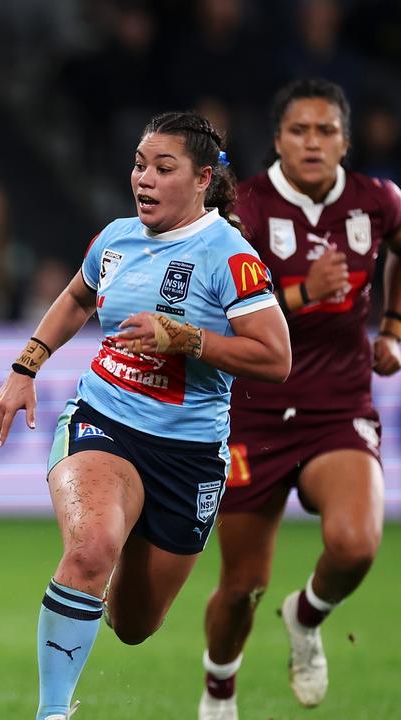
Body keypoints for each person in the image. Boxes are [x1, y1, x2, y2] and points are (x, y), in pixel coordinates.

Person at [0, 111, 290, 720]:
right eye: (138, 165)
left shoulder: (229, 256)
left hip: (189, 453)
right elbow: (77, 294)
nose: (143, 179)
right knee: (92, 547)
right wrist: (25, 368)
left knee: (134, 625)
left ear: (204, 179)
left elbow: (275, 357)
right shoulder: (116, 238)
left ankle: (112, 542)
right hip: (105, 419)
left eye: (163, 168)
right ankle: (52, 712)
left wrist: (188, 339)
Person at [198, 78, 401, 720]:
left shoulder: (379, 202)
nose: (312, 143)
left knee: (357, 544)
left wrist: (393, 327)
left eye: (326, 131)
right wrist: (304, 295)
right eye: (299, 131)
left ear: (346, 139)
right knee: (241, 587)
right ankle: (219, 690)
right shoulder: (245, 210)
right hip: (251, 416)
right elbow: (224, 324)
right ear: (278, 139)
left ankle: (306, 616)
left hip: (337, 408)